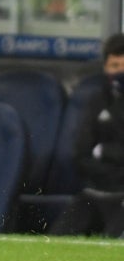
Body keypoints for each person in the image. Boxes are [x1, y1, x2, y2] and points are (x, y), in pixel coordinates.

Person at [48, 33, 124, 237]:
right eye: (115, 66)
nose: (120, 72)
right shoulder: (96, 101)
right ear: (106, 68)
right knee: (56, 240)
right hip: (94, 192)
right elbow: (80, 155)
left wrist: (105, 152)